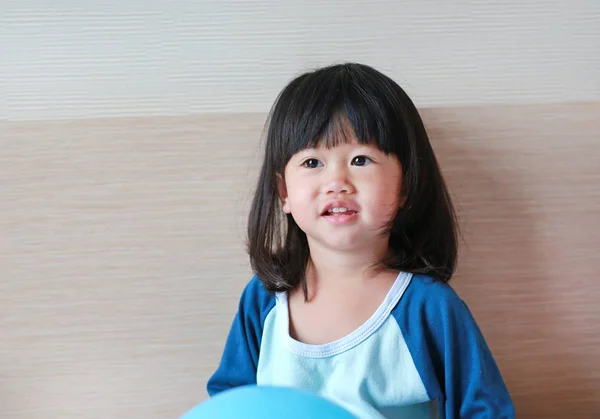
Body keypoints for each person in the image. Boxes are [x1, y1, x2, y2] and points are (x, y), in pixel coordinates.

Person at [206, 62, 515, 418]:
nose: (337, 181)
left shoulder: (429, 308)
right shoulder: (263, 300)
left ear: (405, 187)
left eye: (360, 159)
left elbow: (485, 410)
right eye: (311, 163)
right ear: (283, 192)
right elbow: (231, 405)